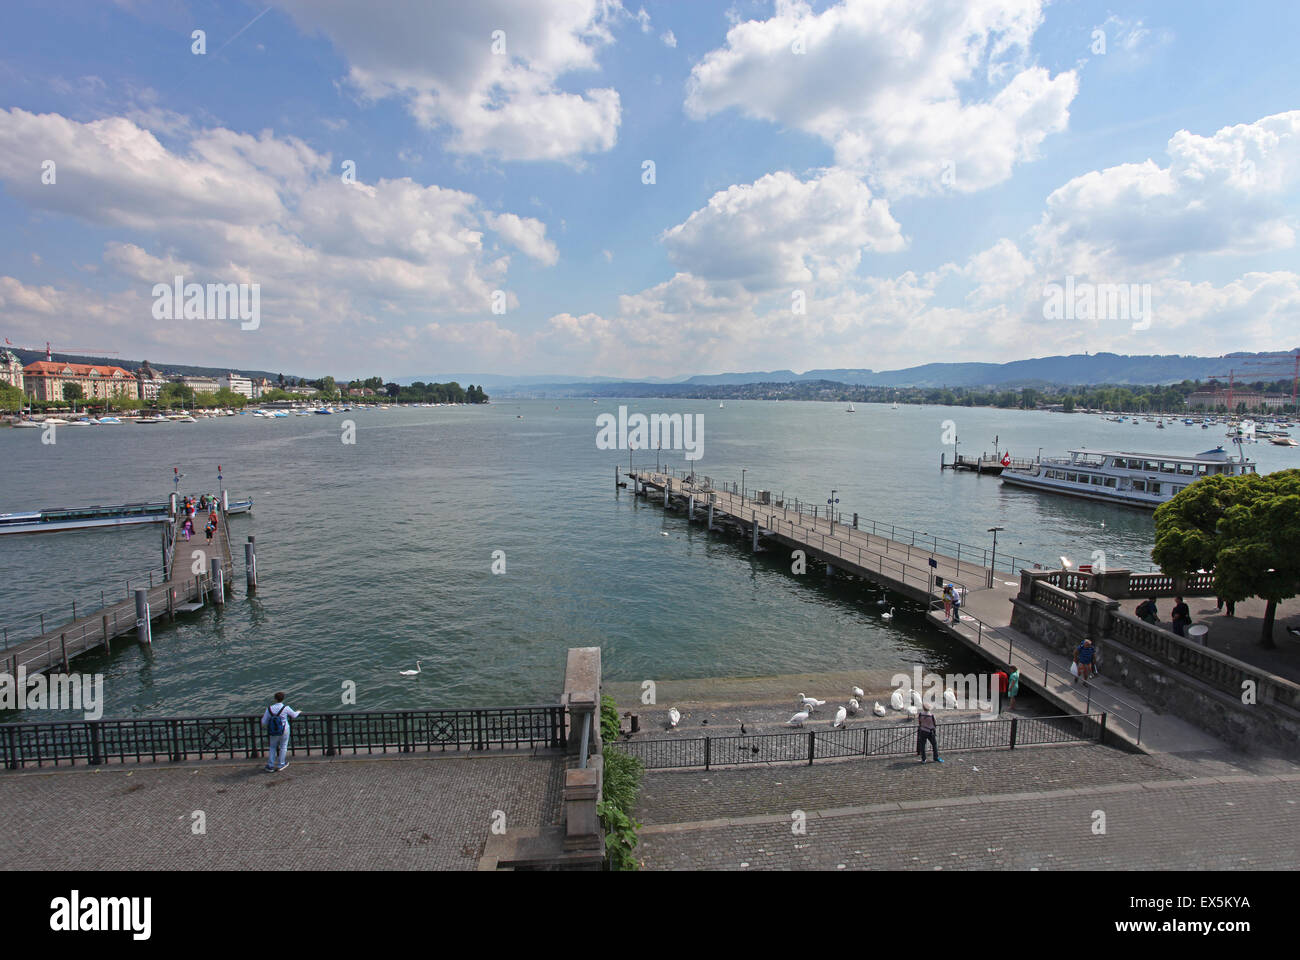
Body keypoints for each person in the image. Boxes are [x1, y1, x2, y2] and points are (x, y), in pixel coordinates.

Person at [260, 692, 301, 772]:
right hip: (284, 729)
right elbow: (294, 715)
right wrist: (299, 712)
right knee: (283, 746)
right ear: (283, 699)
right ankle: (281, 764)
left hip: (273, 730)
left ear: (275, 699)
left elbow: (263, 722)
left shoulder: (269, 708)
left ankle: (270, 765)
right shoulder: (286, 708)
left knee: (272, 747)